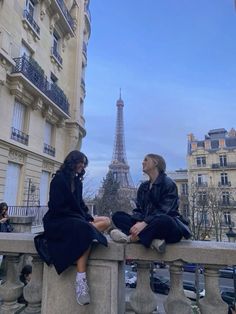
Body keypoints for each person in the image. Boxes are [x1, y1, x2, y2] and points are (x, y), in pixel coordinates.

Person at [42, 150, 111, 306]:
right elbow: (56, 207)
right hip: (58, 220)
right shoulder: (58, 180)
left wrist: (88, 218)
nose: (82, 166)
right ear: (72, 162)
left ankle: (95, 227)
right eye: (80, 162)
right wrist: (82, 219)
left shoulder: (77, 182)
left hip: (75, 219)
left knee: (106, 220)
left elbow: (80, 205)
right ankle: (81, 281)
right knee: (85, 230)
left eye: (83, 163)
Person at [110, 153, 191, 251]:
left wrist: (144, 223)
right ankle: (152, 240)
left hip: (166, 227)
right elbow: (139, 209)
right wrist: (138, 221)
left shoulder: (169, 183)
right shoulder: (143, 187)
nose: (142, 162)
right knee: (118, 216)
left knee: (165, 220)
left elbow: (165, 210)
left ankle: (131, 238)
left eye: (146, 160)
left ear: (155, 163)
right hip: (149, 225)